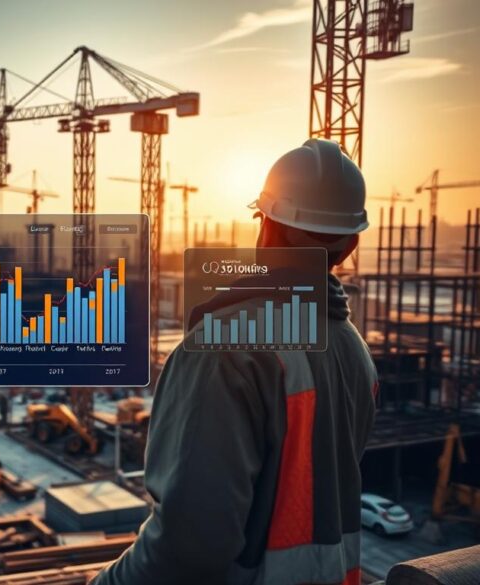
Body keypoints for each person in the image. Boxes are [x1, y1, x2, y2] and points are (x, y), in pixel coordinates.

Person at [92, 139, 378, 585]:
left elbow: (188, 548)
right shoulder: (354, 350)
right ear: (351, 244)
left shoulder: (224, 349)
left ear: (265, 228)